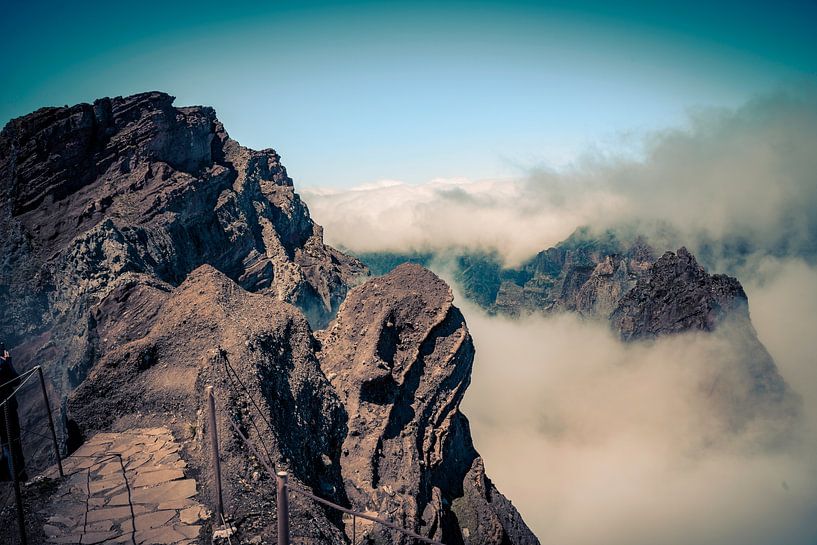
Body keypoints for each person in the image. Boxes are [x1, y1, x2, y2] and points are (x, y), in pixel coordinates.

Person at [0, 341, 26, 482]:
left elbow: (16, 380)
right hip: (6, 408)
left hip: (7, 407)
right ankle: (18, 479)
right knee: (11, 443)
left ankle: (13, 477)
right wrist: (7, 363)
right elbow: (16, 380)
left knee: (8, 444)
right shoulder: (2, 365)